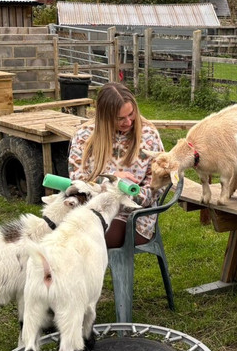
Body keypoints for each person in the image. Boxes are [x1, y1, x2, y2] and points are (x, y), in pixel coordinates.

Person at [67, 82, 165, 248]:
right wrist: (111, 180)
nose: (128, 122)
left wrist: (124, 192)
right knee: (54, 235)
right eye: (120, 118)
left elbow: (156, 188)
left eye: (131, 114)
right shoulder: (84, 135)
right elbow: (77, 182)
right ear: (105, 118)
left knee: (86, 242)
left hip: (133, 216)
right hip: (89, 209)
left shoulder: (149, 135)